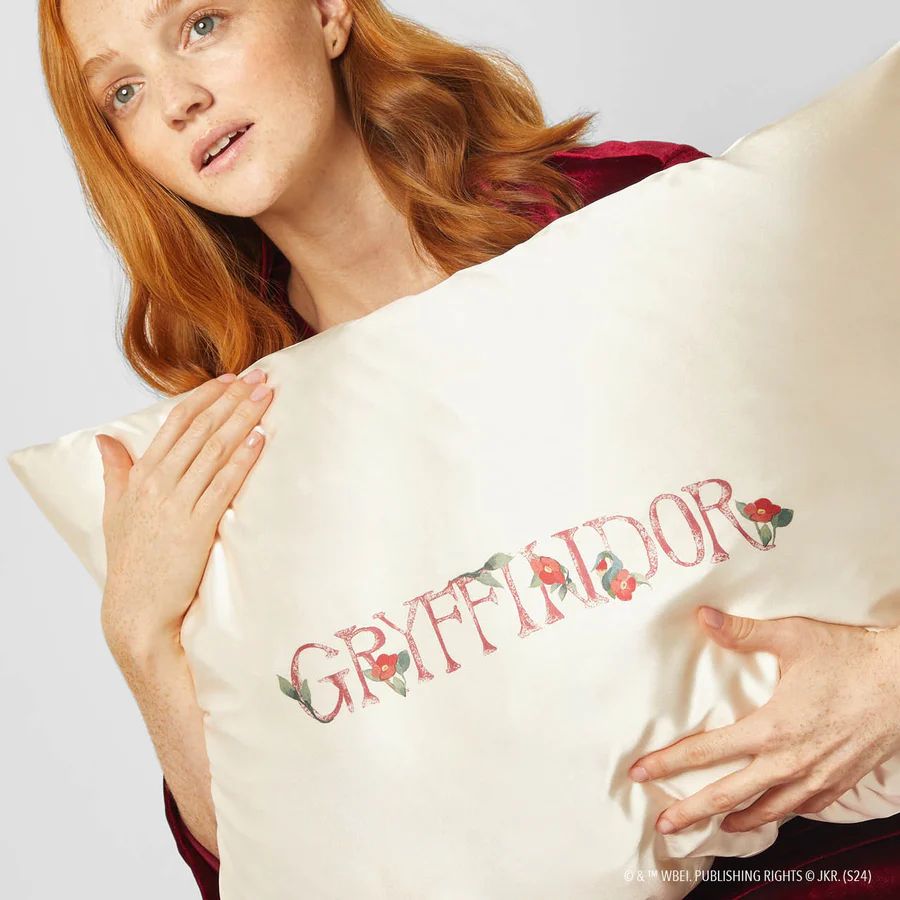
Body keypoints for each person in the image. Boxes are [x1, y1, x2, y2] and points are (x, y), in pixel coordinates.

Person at [39, 1, 900, 897]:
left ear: (328, 13)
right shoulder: (225, 443)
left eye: (202, 25)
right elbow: (284, 859)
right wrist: (141, 638)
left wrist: (888, 683)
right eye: (123, 92)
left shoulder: (629, 210)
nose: (176, 99)